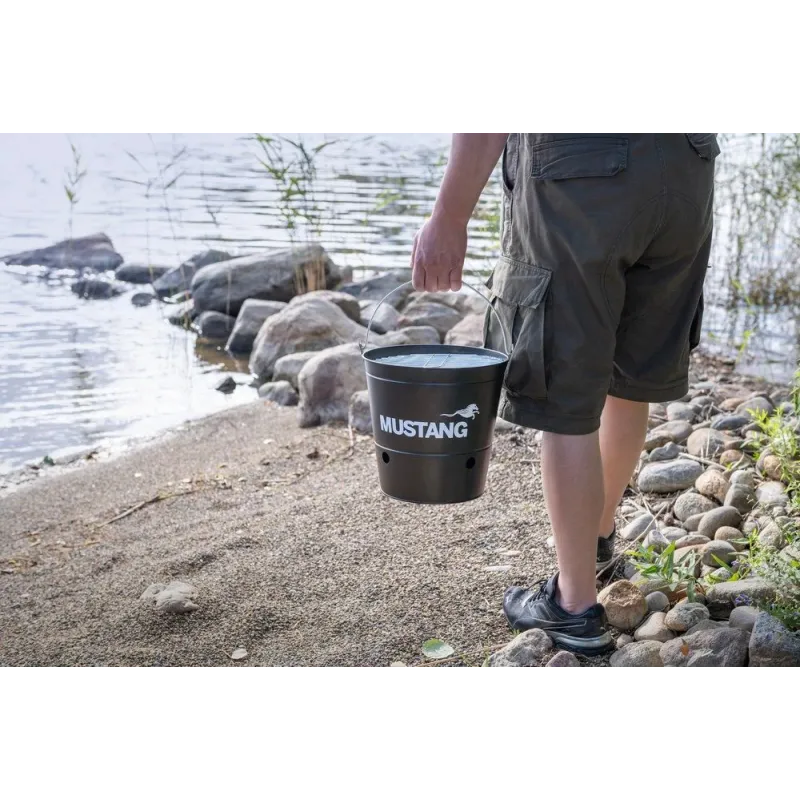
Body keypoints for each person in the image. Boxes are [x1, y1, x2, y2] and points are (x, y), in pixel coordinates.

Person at [411, 129, 718, 655]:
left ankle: (573, 605)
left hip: (581, 174)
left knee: (561, 397)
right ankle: (596, 540)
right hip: (686, 165)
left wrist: (449, 217)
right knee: (629, 376)